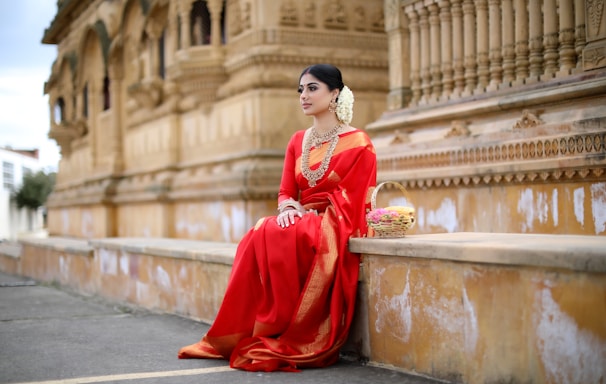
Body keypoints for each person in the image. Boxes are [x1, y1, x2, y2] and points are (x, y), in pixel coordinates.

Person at [178, 64, 377, 372]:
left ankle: (287, 328)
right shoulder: (298, 140)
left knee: (289, 232)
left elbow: (357, 198)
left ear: (334, 93)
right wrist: (287, 208)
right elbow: (286, 192)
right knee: (262, 230)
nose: (304, 96)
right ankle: (258, 328)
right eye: (301, 90)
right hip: (301, 218)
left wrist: (309, 212)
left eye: (312, 88)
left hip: (336, 221)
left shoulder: (359, 142)